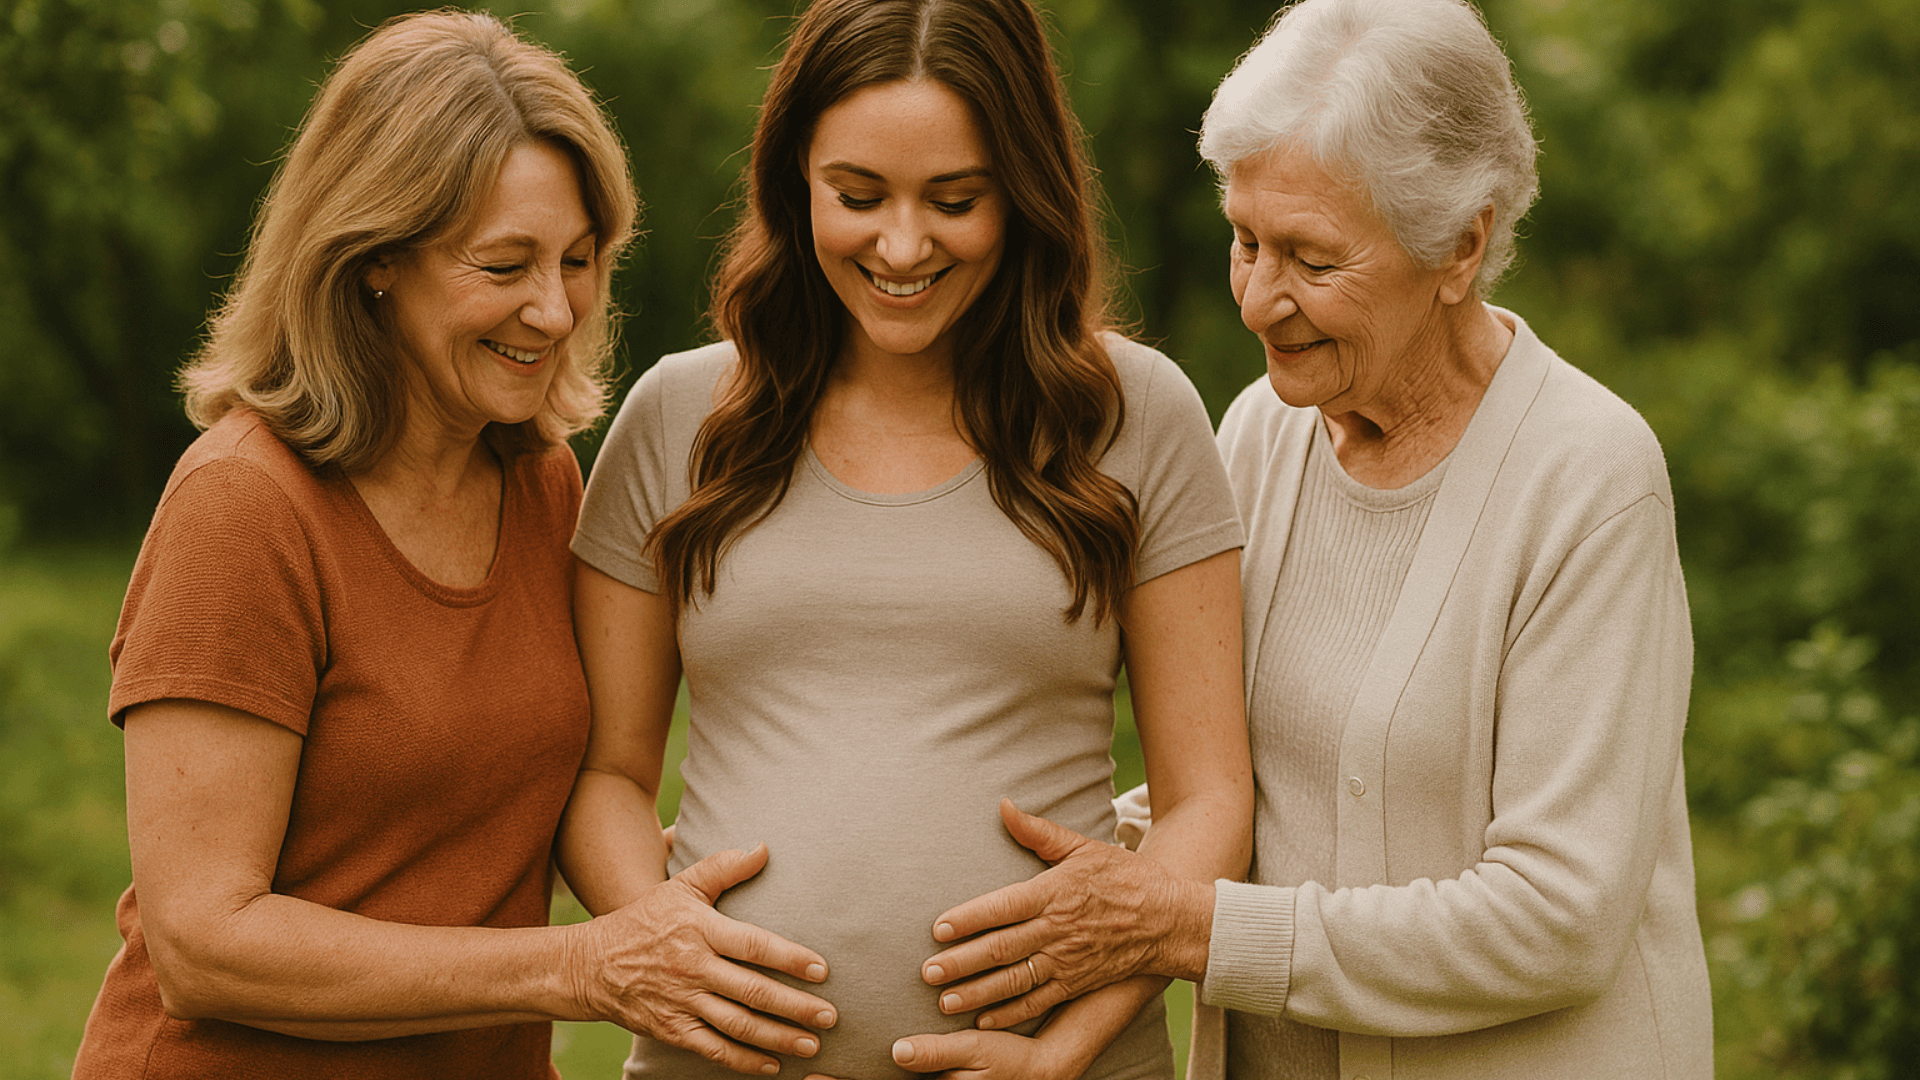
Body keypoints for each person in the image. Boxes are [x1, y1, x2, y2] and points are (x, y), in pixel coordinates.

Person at [913, 0, 1715, 1076]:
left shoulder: (1588, 479)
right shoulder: (1262, 431)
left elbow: (1558, 918)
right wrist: (990, 856)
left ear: (1463, 244)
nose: (1256, 299)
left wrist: (1192, 928)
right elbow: (1249, 785)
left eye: (1310, 259)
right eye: (1245, 240)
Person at [72, 11, 841, 1078]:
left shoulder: (538, 481)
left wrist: (695, 910)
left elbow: (536, 789)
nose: (554, 308)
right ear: (376, 257)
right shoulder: (244, 508)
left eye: (578, 260)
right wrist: (576, 967)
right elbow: (206, 942)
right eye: (505, 263)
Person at [558, 0, 1255, 1077]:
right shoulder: (676, 417)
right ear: (795, 181)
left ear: (1023, 193)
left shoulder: (1136, 415)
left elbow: (1209, 800)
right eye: (857, 195)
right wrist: (663, 940)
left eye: (956, 200)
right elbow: (604, 776)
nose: (900, 245)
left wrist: (1064, 1049)